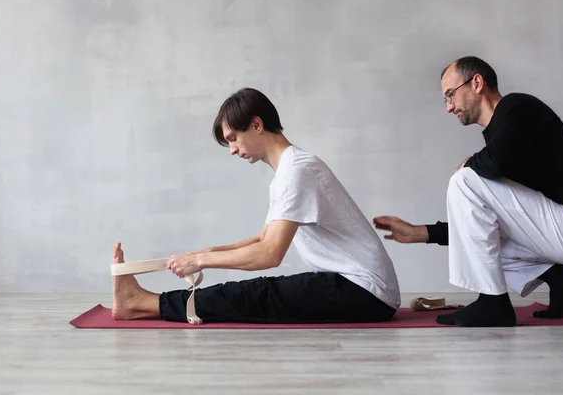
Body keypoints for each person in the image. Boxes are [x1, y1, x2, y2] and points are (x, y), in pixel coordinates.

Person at [111, 87, 401, 324]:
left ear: (257, 124)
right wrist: (205, 252)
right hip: (358, 287)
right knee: (258, 292)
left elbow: (270, 253)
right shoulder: (289, 170)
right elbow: (262, 238)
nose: (233, 149)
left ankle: (141, 303)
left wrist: (199, 262)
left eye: (233, 138)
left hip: (365, 292)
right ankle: (144, 302)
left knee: (259, 293)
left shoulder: (297, 171)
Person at [374, 56, 563, 327]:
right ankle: (561, 281)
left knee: (464, 181)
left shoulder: (517, 107)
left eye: (450, 95)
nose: (449, 107)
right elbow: (487, 223)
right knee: (478, 204)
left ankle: (493, 303)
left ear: (477, 82)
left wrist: (469, 163)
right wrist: (421, 233)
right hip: (560, 232)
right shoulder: (500, 133)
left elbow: (492, 164)